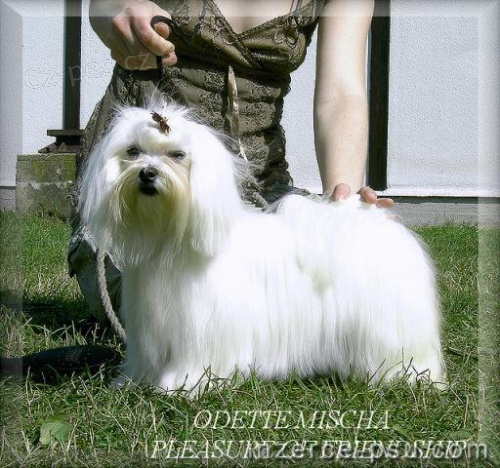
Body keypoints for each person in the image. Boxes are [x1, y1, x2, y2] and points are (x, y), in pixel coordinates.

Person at [68, 0, 393, 326]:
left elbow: (341, 92)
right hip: (137, 208)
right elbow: (105, 6)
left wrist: (341, 199)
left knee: (327, 290)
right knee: (200, 312)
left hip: (260, 193)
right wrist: (118, 11)